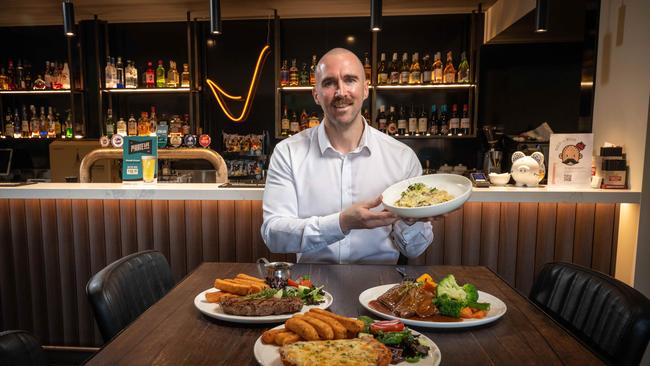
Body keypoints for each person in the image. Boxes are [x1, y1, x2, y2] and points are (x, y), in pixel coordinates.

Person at [261, 48, 434, 264]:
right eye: (329, 83)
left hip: (380, 287)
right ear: (316, 94)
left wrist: (411, 221)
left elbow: (414, 250)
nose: (341, 92)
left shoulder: (402, 158)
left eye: (350, 80)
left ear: (365, 90)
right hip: (311, 289)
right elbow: (273, 234)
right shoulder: (288, 153)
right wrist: (342, 222)